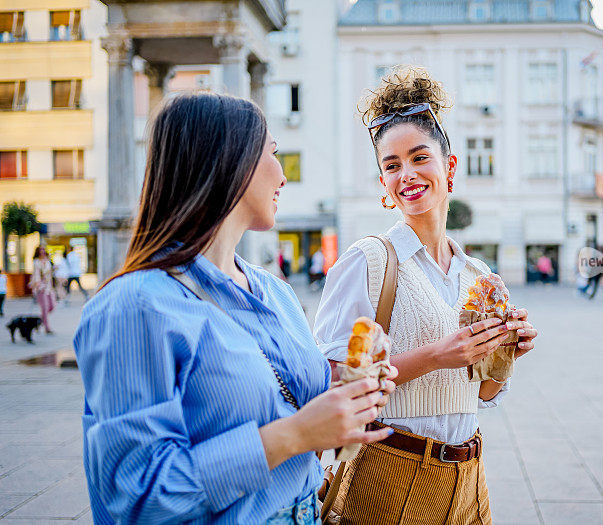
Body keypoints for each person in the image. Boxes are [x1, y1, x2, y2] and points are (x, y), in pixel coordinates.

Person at [72, 92, 397, 524]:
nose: (282, 176)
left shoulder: (275, 292)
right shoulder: (135, 306)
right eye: (273, 153)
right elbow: (138, 499)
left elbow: (288, 404)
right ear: (230, 162)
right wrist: (295, 434)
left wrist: (350, 396)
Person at [314, 66, 538, 524]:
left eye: (419, 157)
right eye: (391, 166)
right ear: (383, 184)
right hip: (389, 476)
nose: (407, 174)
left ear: (449, 166)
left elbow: (482, 392)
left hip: (470, 482)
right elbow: (332, 383)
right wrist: (437, 355)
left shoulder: (477, 274)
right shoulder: (369, 261)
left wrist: (505, 352)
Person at [30, 246, 56, 334]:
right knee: (44, 308)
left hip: (49, 287)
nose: (42, 252)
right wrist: (37, 284)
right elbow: (36, 273)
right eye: (41, 250)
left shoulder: (48, 261)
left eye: (43, 250)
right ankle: (47, 328)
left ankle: (39, 320)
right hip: (40, 288)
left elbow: (50, 273)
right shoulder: (36, 262)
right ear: (38, 252)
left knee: (52, 306)